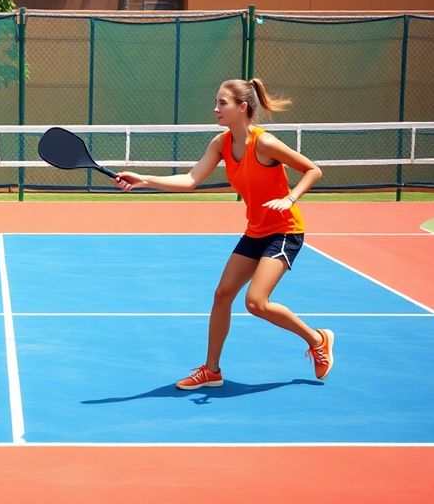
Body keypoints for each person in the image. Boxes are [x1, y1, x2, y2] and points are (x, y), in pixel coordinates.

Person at [114, 78, 334, 390]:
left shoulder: (266, 143)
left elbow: (312, 169)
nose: (215, 108)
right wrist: (144, 179)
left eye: (222, 103)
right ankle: (211, 370)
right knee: (222, 295)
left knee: (256, 302)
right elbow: (190, 180)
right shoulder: (221, 144)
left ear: (242, 107)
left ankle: (317, 339)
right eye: (216, 102)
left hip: (285, 231)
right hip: (256, 231)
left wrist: (291, 198)